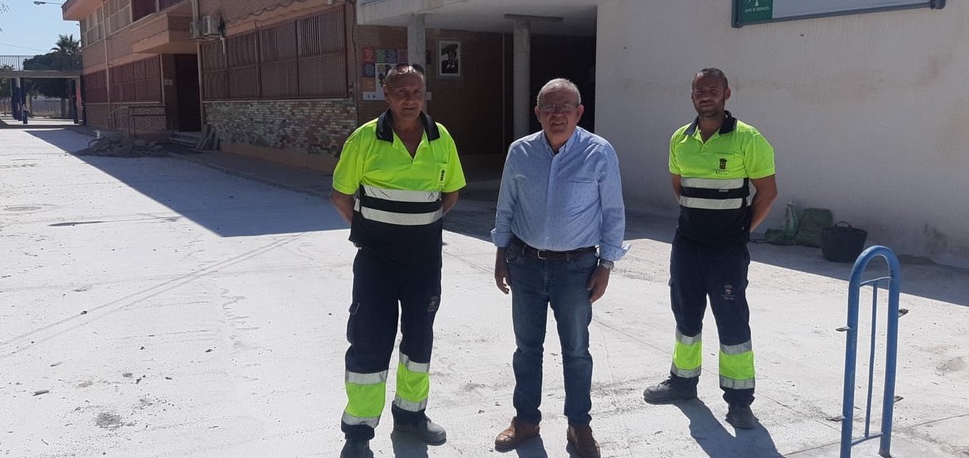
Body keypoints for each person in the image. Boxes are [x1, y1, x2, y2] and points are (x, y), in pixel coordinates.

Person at [330, 63, 466, 458]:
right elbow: (341, 196)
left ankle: (410, 416)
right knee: (369, 342)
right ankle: (358, 431)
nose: (410, 98)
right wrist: (372, 232)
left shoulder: (441, 139)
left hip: (424, 264)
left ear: (425, 95)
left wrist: (419, 228)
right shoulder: (365, 139)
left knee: (419, 341)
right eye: (401, 91)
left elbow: (451, 193)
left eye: (417, 91)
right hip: (376, 264)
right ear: (385, 96)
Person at [491, 78, 627, 458]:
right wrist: (501, 254)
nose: (557, 114)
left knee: (577, 351)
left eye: (565, 106)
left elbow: (613, 212)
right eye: (549, 107)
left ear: (579, 112)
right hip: (525, 264)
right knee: (527, 348)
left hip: (577, 269)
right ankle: (526, 420)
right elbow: (506, 206)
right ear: (537, 113)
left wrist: (607, 264)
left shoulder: (599, 153)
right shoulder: (520, 152)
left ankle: (579, 425)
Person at [642, 68, 777, 429]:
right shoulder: (680, 139)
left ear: (726, 94)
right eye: (700, 90)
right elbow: (679, 187)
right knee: (686, 316)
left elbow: (768, 192)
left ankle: (739, 402)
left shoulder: (748, 139)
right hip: (687, 245)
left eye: (713, 90)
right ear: (692, 96)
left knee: (732, 321)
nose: (706, 95)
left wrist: (740, 231)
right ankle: (683, 383)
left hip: (726, 250)